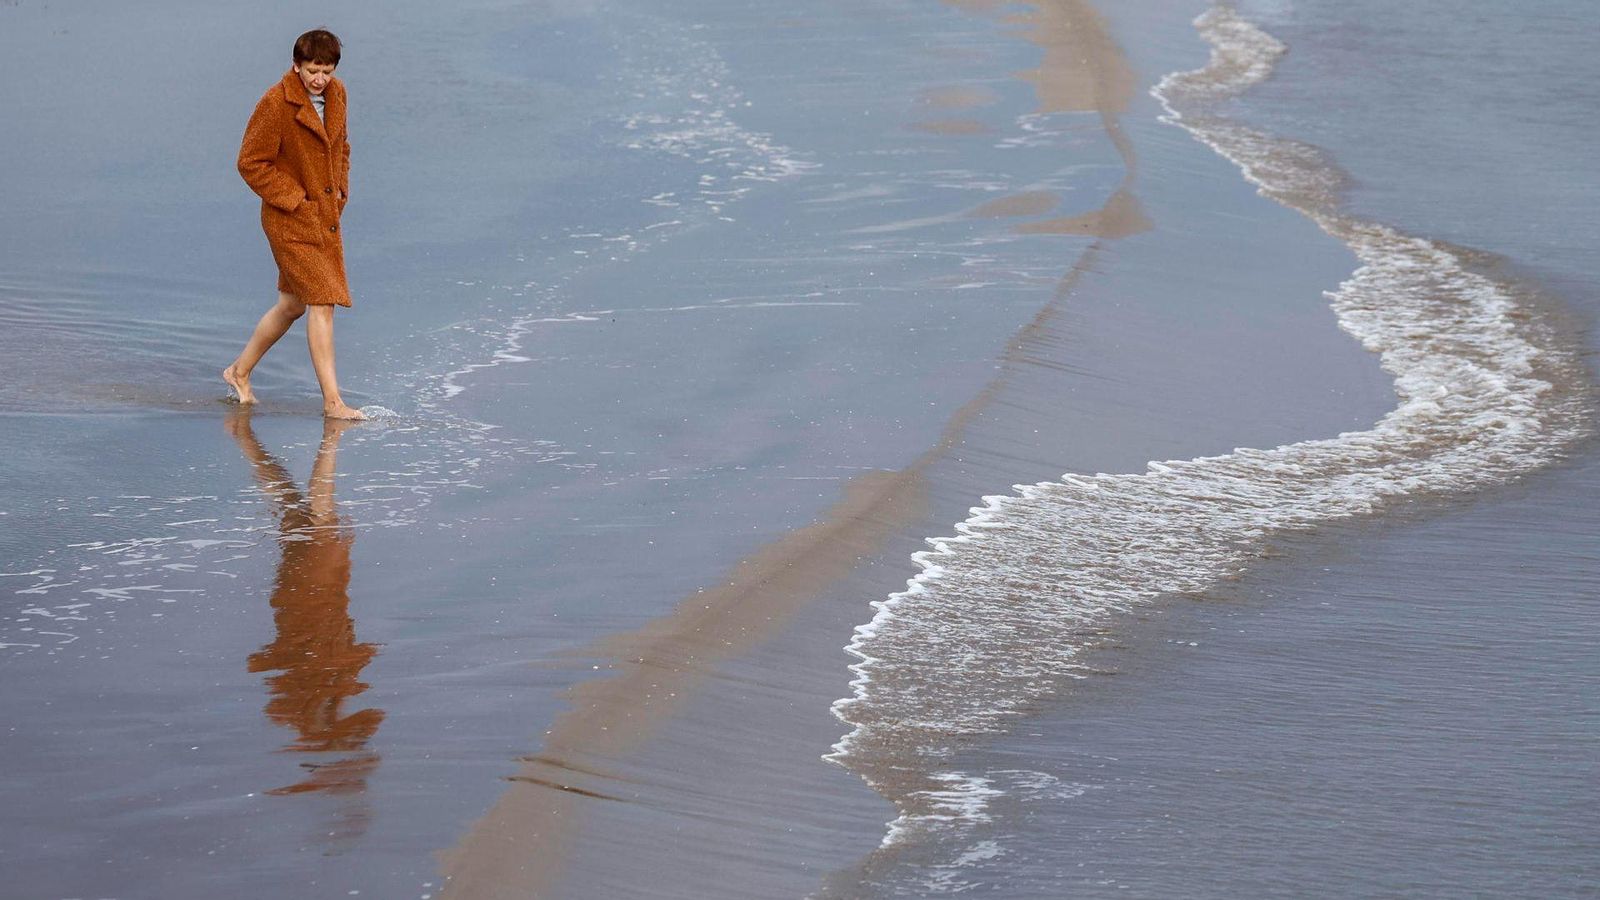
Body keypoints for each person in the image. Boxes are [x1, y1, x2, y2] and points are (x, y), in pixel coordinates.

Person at [223, 28, 364, 420]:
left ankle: (238, 372)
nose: (320, 79)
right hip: (289, 219)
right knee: (322, 301)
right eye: (313, 70)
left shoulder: (338, 94)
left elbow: (342, 145)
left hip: (325, 216)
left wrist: (341, 190)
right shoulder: (275, 103)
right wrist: (295, 199)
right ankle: (333, 403)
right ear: (297, 66)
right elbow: (250, 162)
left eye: (327, 71)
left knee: (292, 305)